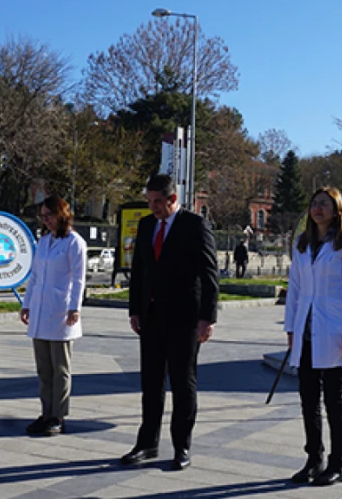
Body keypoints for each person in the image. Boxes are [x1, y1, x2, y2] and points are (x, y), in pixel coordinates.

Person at [121, 174, 219, 471]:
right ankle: (147, 442)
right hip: (151, 318)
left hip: (185, 319)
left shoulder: (194, 225)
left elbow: (210, 275)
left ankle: (181, 446)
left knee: (182, 383)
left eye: (158, 202)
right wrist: (135, 309)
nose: (153, 208)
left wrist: (207, 318)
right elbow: (139, 270)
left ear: (173, 199)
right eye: (150, 202)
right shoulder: (148, 225)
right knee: (150, 383)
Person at [284, 187, 342, 486]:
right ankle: (313, 458)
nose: (317, 209)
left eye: (324, 204)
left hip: (336, 329)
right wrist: (291, 328)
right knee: (308, 399)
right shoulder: (303, 244)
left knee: (334, 398)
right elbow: (294, 289)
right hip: (306, 329)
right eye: (314, 203)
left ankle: (337, 462)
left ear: (336, 210)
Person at [20, 195, 87, 437]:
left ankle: (58, 415)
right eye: (42, 216)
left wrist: (74, 307)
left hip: (60, 312)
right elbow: (35, 276)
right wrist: (27, 304)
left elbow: (79, 278)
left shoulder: (74, 243)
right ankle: (45, 412)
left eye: (48, 215)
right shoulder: (44, 241)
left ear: (61, 214)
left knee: (60, 368)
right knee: (44, 369)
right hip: (40, 310)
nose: (45, 220)